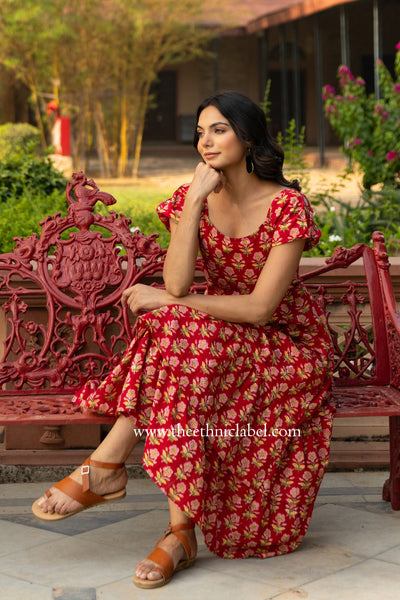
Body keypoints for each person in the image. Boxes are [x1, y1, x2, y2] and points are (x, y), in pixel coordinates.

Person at [32, 91, 335, 589]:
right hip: (212, 341)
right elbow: (175, 285)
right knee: (178, 333)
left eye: (218, 129)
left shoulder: (287, 206)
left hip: (286, 347)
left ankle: (115, 475)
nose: (205, 141)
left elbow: (260, 310)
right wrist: (194, 201)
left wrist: (174, 306)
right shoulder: (190, 198)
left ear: (249, 135)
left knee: (173, 324)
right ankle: (174, 530)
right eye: (199, 132)